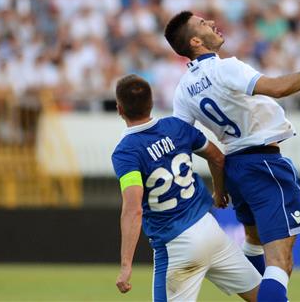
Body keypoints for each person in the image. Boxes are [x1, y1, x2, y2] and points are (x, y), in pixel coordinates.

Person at [164, 10, 300, 302]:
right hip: (264, 163)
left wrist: (218, 183)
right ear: (195, 42)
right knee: (281, 262)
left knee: (253, 243)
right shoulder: (226, 68)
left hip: (235, 167)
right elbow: (278, 88)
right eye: (203, 23)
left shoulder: (184, 89)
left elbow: (185, 139)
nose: (213, 23)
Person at [111, 74, 261, 302]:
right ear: (151, 103)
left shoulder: (126, 152)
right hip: (211, 229)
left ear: (119, 109)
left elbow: (134, 209)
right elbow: (218, 157)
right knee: (265, 297)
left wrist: (125, 265)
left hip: (177, 245)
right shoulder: (176, 126)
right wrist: (219, 192)